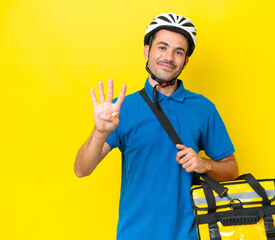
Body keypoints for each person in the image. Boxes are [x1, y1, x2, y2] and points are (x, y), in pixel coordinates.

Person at [74, 12, 239, 240]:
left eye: (178, 51)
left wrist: (205, 165)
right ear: (147, 51)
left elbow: (231, 169)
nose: (169, 57)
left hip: (191, 236)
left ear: (186, 60)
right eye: (162, 47)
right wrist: (99, 132)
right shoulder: (122, 109)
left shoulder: (203, 108)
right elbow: (82, 170)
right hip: (135, 235)